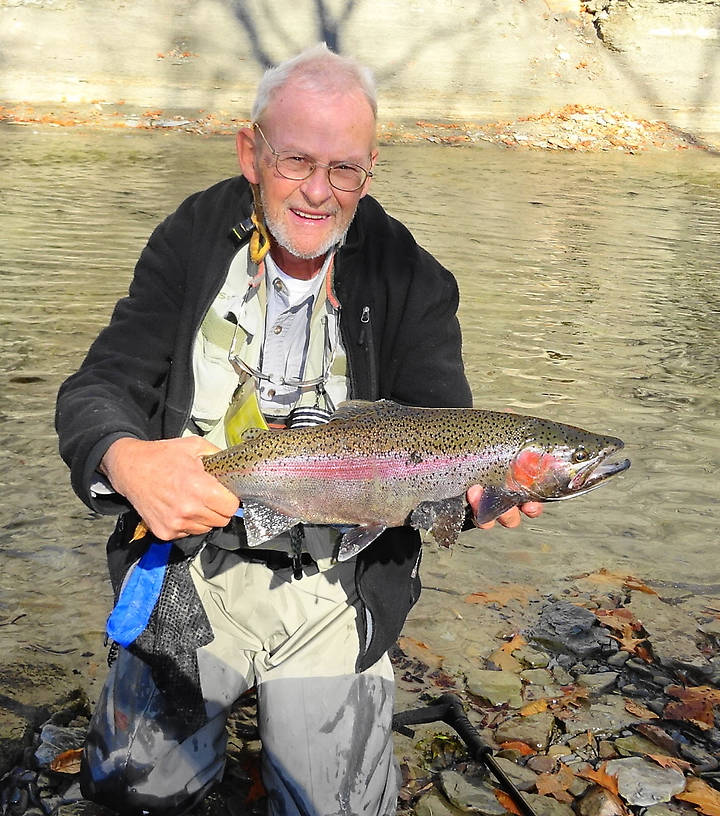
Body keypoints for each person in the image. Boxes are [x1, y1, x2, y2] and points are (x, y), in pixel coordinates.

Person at [55, 43, 542, 816]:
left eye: (345, 168)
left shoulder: (411, 276)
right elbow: (100, 386)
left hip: (337, 583)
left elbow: (448, 441)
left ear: (371, 167)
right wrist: (126, 458)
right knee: (132, 793)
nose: (319, 192)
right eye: (295, 162)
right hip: (191, 565)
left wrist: (476, 503)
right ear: (251, 151)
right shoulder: (190, 238)